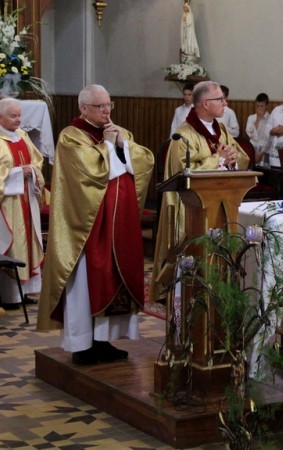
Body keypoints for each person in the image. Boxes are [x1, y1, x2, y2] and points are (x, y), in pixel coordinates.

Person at [38, 85, 154, 365]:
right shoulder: (71, 136)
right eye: (100, 106)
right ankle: (82, 344)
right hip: (88, 228)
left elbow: (143, 159)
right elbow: (89, 172)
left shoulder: (117, 131)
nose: (107, 110)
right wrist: (111, 146)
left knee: (115, 278)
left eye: (109, 105)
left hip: (118, 224)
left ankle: (104, 341)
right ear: (84, 108)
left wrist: (121, 144)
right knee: (87, 282)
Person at [151, 81, 249, 302]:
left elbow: (242, 157)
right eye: (220, 99)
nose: (225, 103)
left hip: (223, 205)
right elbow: (184, 174)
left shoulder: (221, 130)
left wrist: (231, 159)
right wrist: (218, 159)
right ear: (205, 103)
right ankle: (187, 295)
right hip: (193, 211)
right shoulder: (183, 136)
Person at [0, 98, 44, 310]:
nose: (18, 120)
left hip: (26, 198)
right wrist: (19, 172)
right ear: (0, 117)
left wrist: (33, 171)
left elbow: (37, 161)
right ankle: (9, 296)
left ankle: (25, 292)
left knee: (29, 243)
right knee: (14, 244)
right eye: (13, 116)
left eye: (19, 115)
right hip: (7, 203)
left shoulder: (22, 135)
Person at [247, 93, 271, 166]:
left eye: (262, 106)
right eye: (257, 106)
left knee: (264, 173)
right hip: (252, 148)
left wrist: (260, 153)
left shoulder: (271, 119)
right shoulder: (251, 118)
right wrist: (258, 119)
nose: (259, 108)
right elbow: (250, 133)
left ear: (266, 106)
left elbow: (270, 138)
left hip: (265, 149)